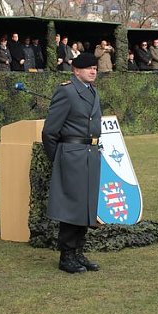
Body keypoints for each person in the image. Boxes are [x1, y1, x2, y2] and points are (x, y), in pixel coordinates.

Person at [42, 52, 103, 273]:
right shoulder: (67, 91)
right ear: (76, 70)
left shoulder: (91, 91)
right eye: (88, 67)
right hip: (72, 155)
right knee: (71, 207)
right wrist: (59, 158)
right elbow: (49, 132)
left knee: (85, 206)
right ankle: (66, 256)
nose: (93, 70)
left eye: (95, 67)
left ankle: (78, 252)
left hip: (89, 154)